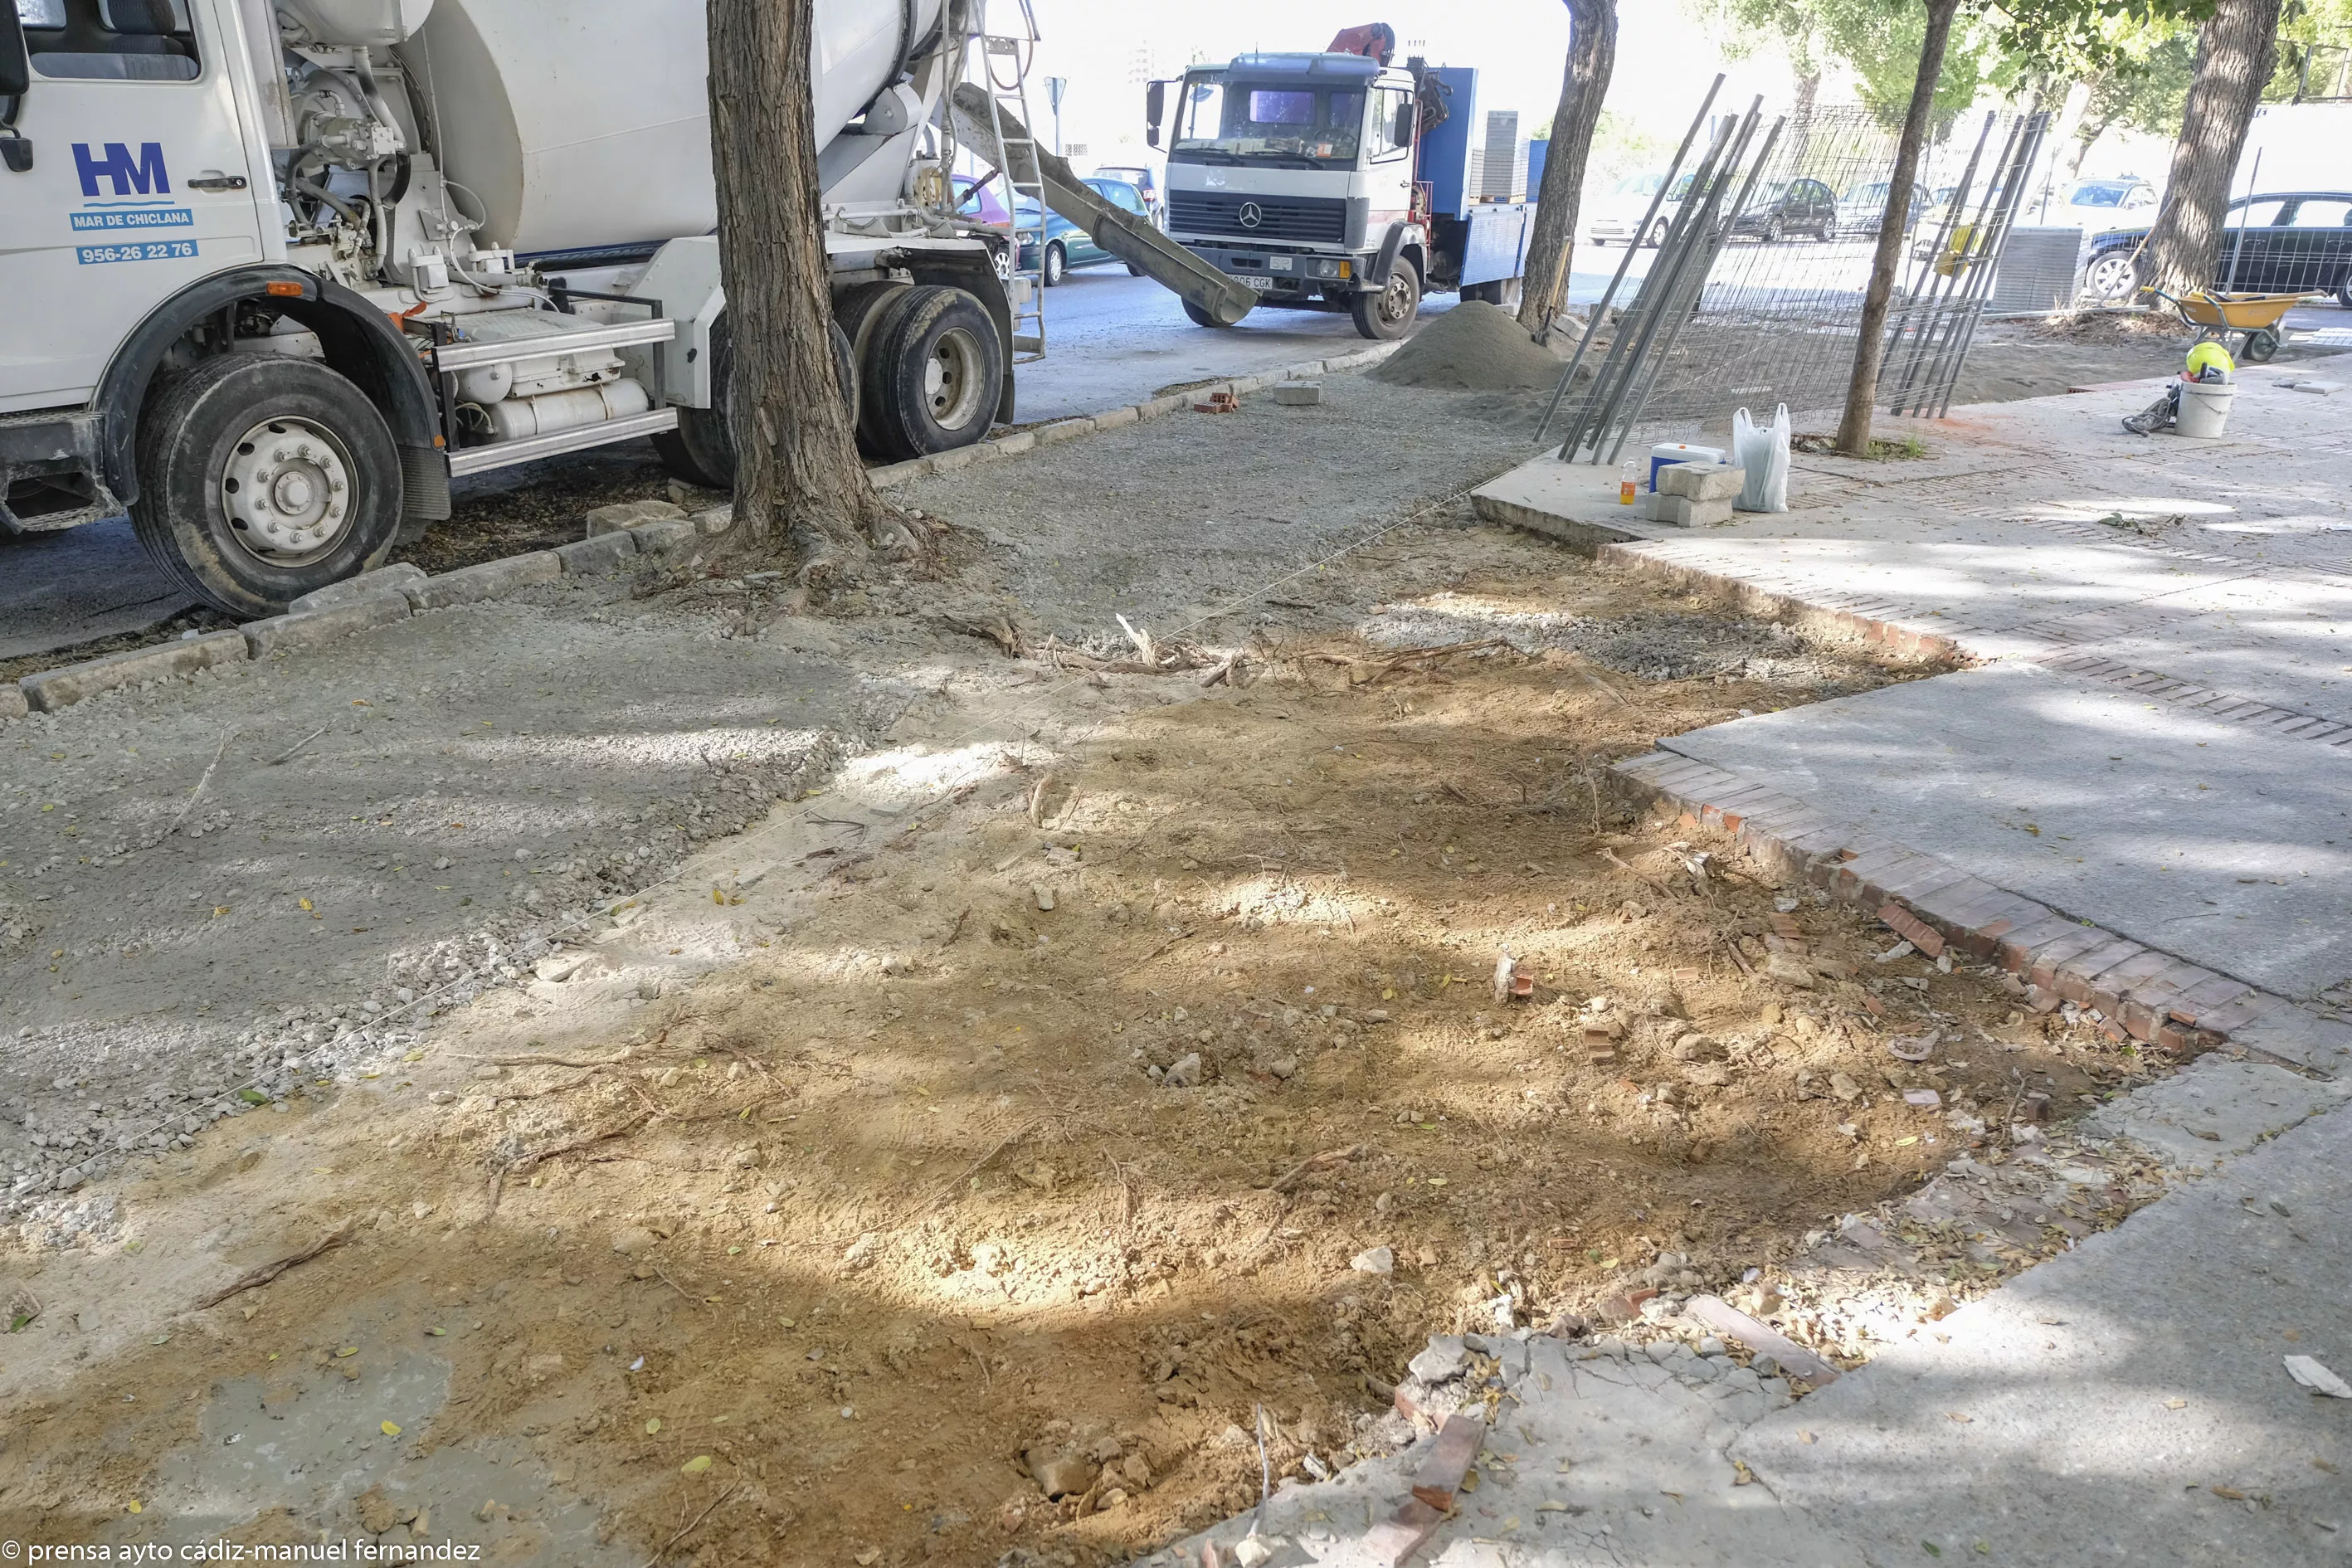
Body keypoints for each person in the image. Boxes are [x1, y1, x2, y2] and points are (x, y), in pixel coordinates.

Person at [2123, 341, 2234, 435]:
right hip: (2210, 428)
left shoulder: (2195, 373)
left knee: (2167, 402)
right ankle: (2148, 421)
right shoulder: (2223, 378)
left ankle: (2147, 421)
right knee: (2170, 401)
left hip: (2189, 422)